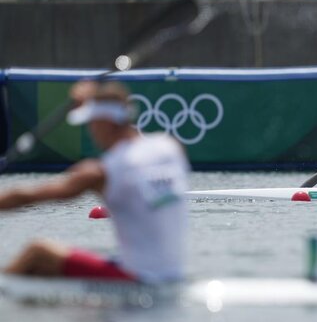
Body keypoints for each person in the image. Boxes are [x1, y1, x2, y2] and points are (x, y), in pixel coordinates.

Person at [0, 80, 190, 283]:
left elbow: (27, 196)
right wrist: (96, 97)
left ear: (105, 123)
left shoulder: (103, 171)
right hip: (174, 274)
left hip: (140, 279)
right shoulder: (170, 147)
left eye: (92, 122)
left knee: (39, 252)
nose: (91, 131)